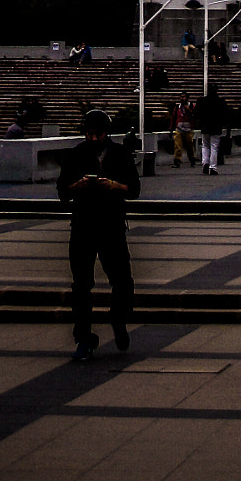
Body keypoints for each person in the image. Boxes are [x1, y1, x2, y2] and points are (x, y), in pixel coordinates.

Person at [56, 108, 140, 362]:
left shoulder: (120, 153)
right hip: (83, 226)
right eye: (90, 134)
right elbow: (62, 191)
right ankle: (83, 338)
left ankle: (119, 320)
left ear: (107, 132)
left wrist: (115, 186)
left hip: (112, 226)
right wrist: (78, 186)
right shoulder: (76, 154)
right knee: (81, 285)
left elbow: (134, 190)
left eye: (99, 134)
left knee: (123, 281)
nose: (94, 139)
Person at [195, 83, 229, 173]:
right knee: (214, 146)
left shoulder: (202, 101)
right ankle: (212, 167)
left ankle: (205, 162)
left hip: (205, 126)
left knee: (205, 145)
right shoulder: (221, 101)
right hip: (216, 127)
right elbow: (225, 114)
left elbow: (196, 113)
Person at [171, 96, 196, 168]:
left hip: (188, 128)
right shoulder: (177, 107)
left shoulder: (191, 106)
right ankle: (177, 161)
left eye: (184, 97)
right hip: (179, 128)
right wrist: (171, 128)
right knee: (177, 145)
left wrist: (188, 109)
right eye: (181, 97)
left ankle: (192, 159)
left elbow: (194, 114)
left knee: (189, 145)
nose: (182, 98)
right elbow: (173, 117)